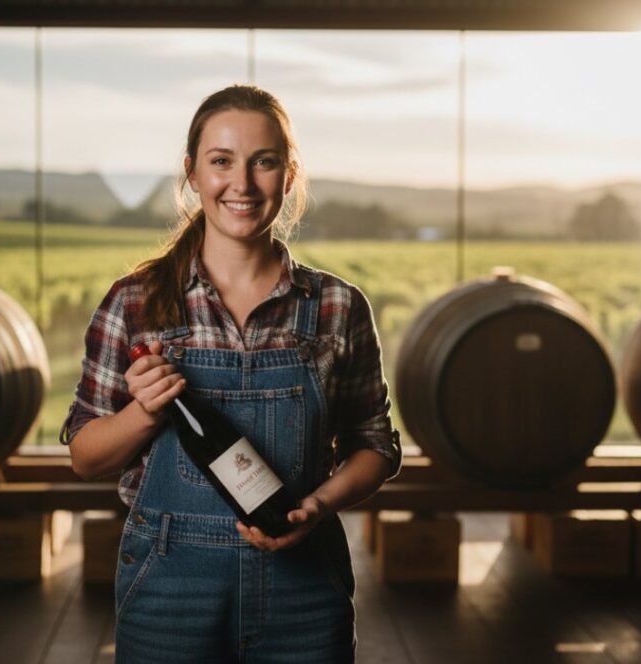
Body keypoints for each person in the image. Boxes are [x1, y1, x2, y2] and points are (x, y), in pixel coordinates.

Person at [61, 84, 401, 663]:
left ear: (288, 176)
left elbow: (375, 448)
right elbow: (86, 455)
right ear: (192, 172)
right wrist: (145, 413)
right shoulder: (136, 303)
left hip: (304, 588)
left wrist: (317, 507)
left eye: (263, 162)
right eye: (221, 161)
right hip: (171, 588)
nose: (241, 184)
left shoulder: (337, 307)